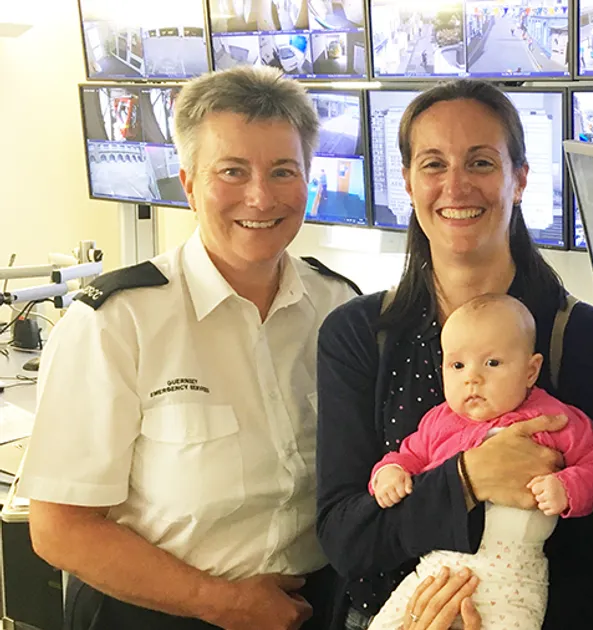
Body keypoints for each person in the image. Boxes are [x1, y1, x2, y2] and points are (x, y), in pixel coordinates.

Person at [22, 66, 361, 630]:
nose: (260, 196)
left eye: (283, 171)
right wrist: (222, 603)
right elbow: (60, 528)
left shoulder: (339, 310)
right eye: (232, 171)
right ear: (188, 183)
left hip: (311, 608)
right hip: (158, 612)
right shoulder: (115, 322)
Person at [316, 79, 593, 630]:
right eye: (434, 164)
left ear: (520, 179)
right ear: (409, 184)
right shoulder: (357, 334)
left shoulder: (582, 340)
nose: (456, 186)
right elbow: (346, 535)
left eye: (482, 163)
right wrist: (466, 478)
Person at [367, 294, 593, 629]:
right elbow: (406, 456)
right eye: (457, 365)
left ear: (531, 370)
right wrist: (389, 472)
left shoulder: (555, 419)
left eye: (492, 363)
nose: (473, 378)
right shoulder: (438, 422)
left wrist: (568, 488)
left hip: (514, 581)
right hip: (436, 571)